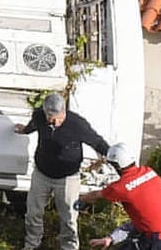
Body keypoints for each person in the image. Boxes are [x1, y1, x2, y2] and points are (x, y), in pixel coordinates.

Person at [14, 92, 111, 250]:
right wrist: (25, 130)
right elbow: (33, 125)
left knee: (69, 217)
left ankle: (69, 247)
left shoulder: (77, 124)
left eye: (59, 117)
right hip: (42, 174)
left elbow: (97, 141)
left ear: (64, 111)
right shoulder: (39, 116)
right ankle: (32, 243)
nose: (55, 122)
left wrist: (113, 157)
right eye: (51, 118)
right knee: (33, 212)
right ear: (45, 112)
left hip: (68, 178)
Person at [77, 143, 161, 250]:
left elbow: (96, 195)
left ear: (116, 166)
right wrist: (112, 238)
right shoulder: (149, 172)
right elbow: (144, 221)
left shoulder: (121, 187)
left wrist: (79, 200)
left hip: (159, 241)